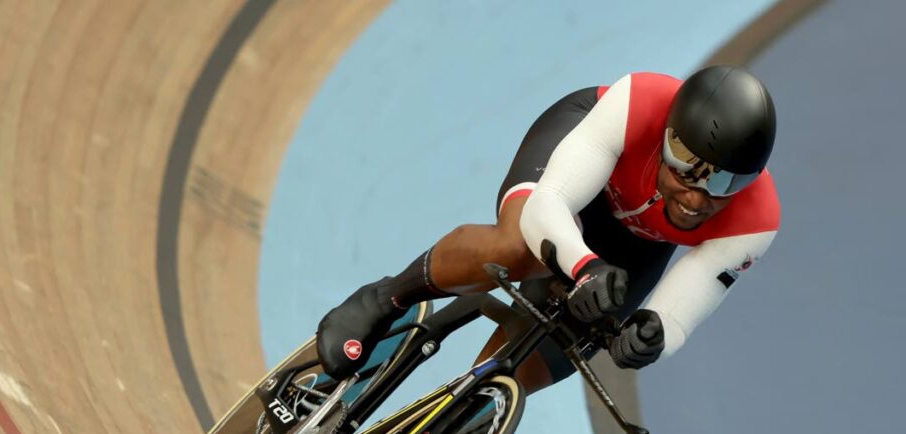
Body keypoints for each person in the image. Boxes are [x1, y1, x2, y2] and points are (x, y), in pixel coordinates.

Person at [315, 65, 780, 393]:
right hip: (571, 175)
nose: (697, 197)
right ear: (666, 137)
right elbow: (549, 205)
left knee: (519, 374)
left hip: (633, 246)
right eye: (687, 169)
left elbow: (683, 307)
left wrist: (652, 336)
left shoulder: (755, 220)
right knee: (521, 249)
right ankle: (386, 297)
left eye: (724, 182)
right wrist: (584, 265)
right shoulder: (637, 102)